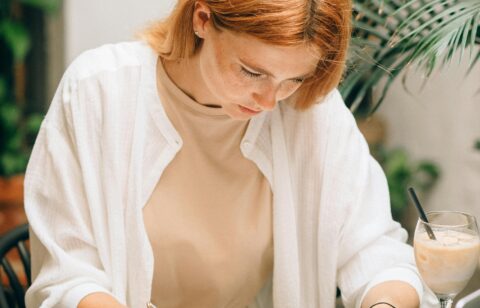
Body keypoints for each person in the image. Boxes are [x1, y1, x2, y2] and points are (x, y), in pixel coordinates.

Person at [24, 0, 435, 307]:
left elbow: (376, 253)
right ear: (202, 18)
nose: (270, 101)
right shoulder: (98, 92)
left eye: (293, 79)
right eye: (252, 72)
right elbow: (69, 277)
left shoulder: (310, 111)